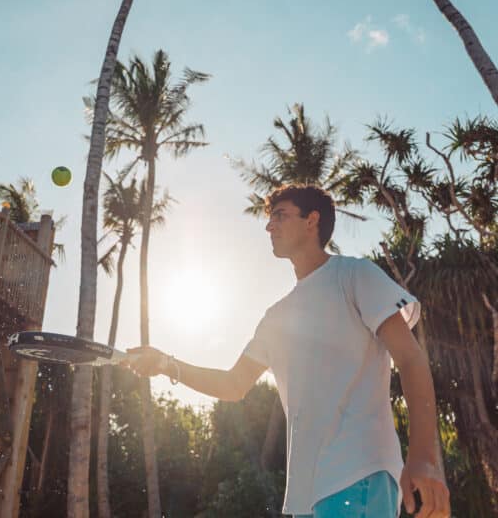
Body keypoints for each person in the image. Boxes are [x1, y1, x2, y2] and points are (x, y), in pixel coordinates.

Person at [126, 184, 450, 518]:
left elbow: (410, 359)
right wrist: (166, 364)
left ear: (312, 221)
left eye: (280, 216)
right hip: (306, 498)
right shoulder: (276, 317)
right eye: (270, 219)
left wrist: (423, 458)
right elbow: (233, 385)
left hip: (360, 475)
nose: (269, 226)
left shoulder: (354, 275)